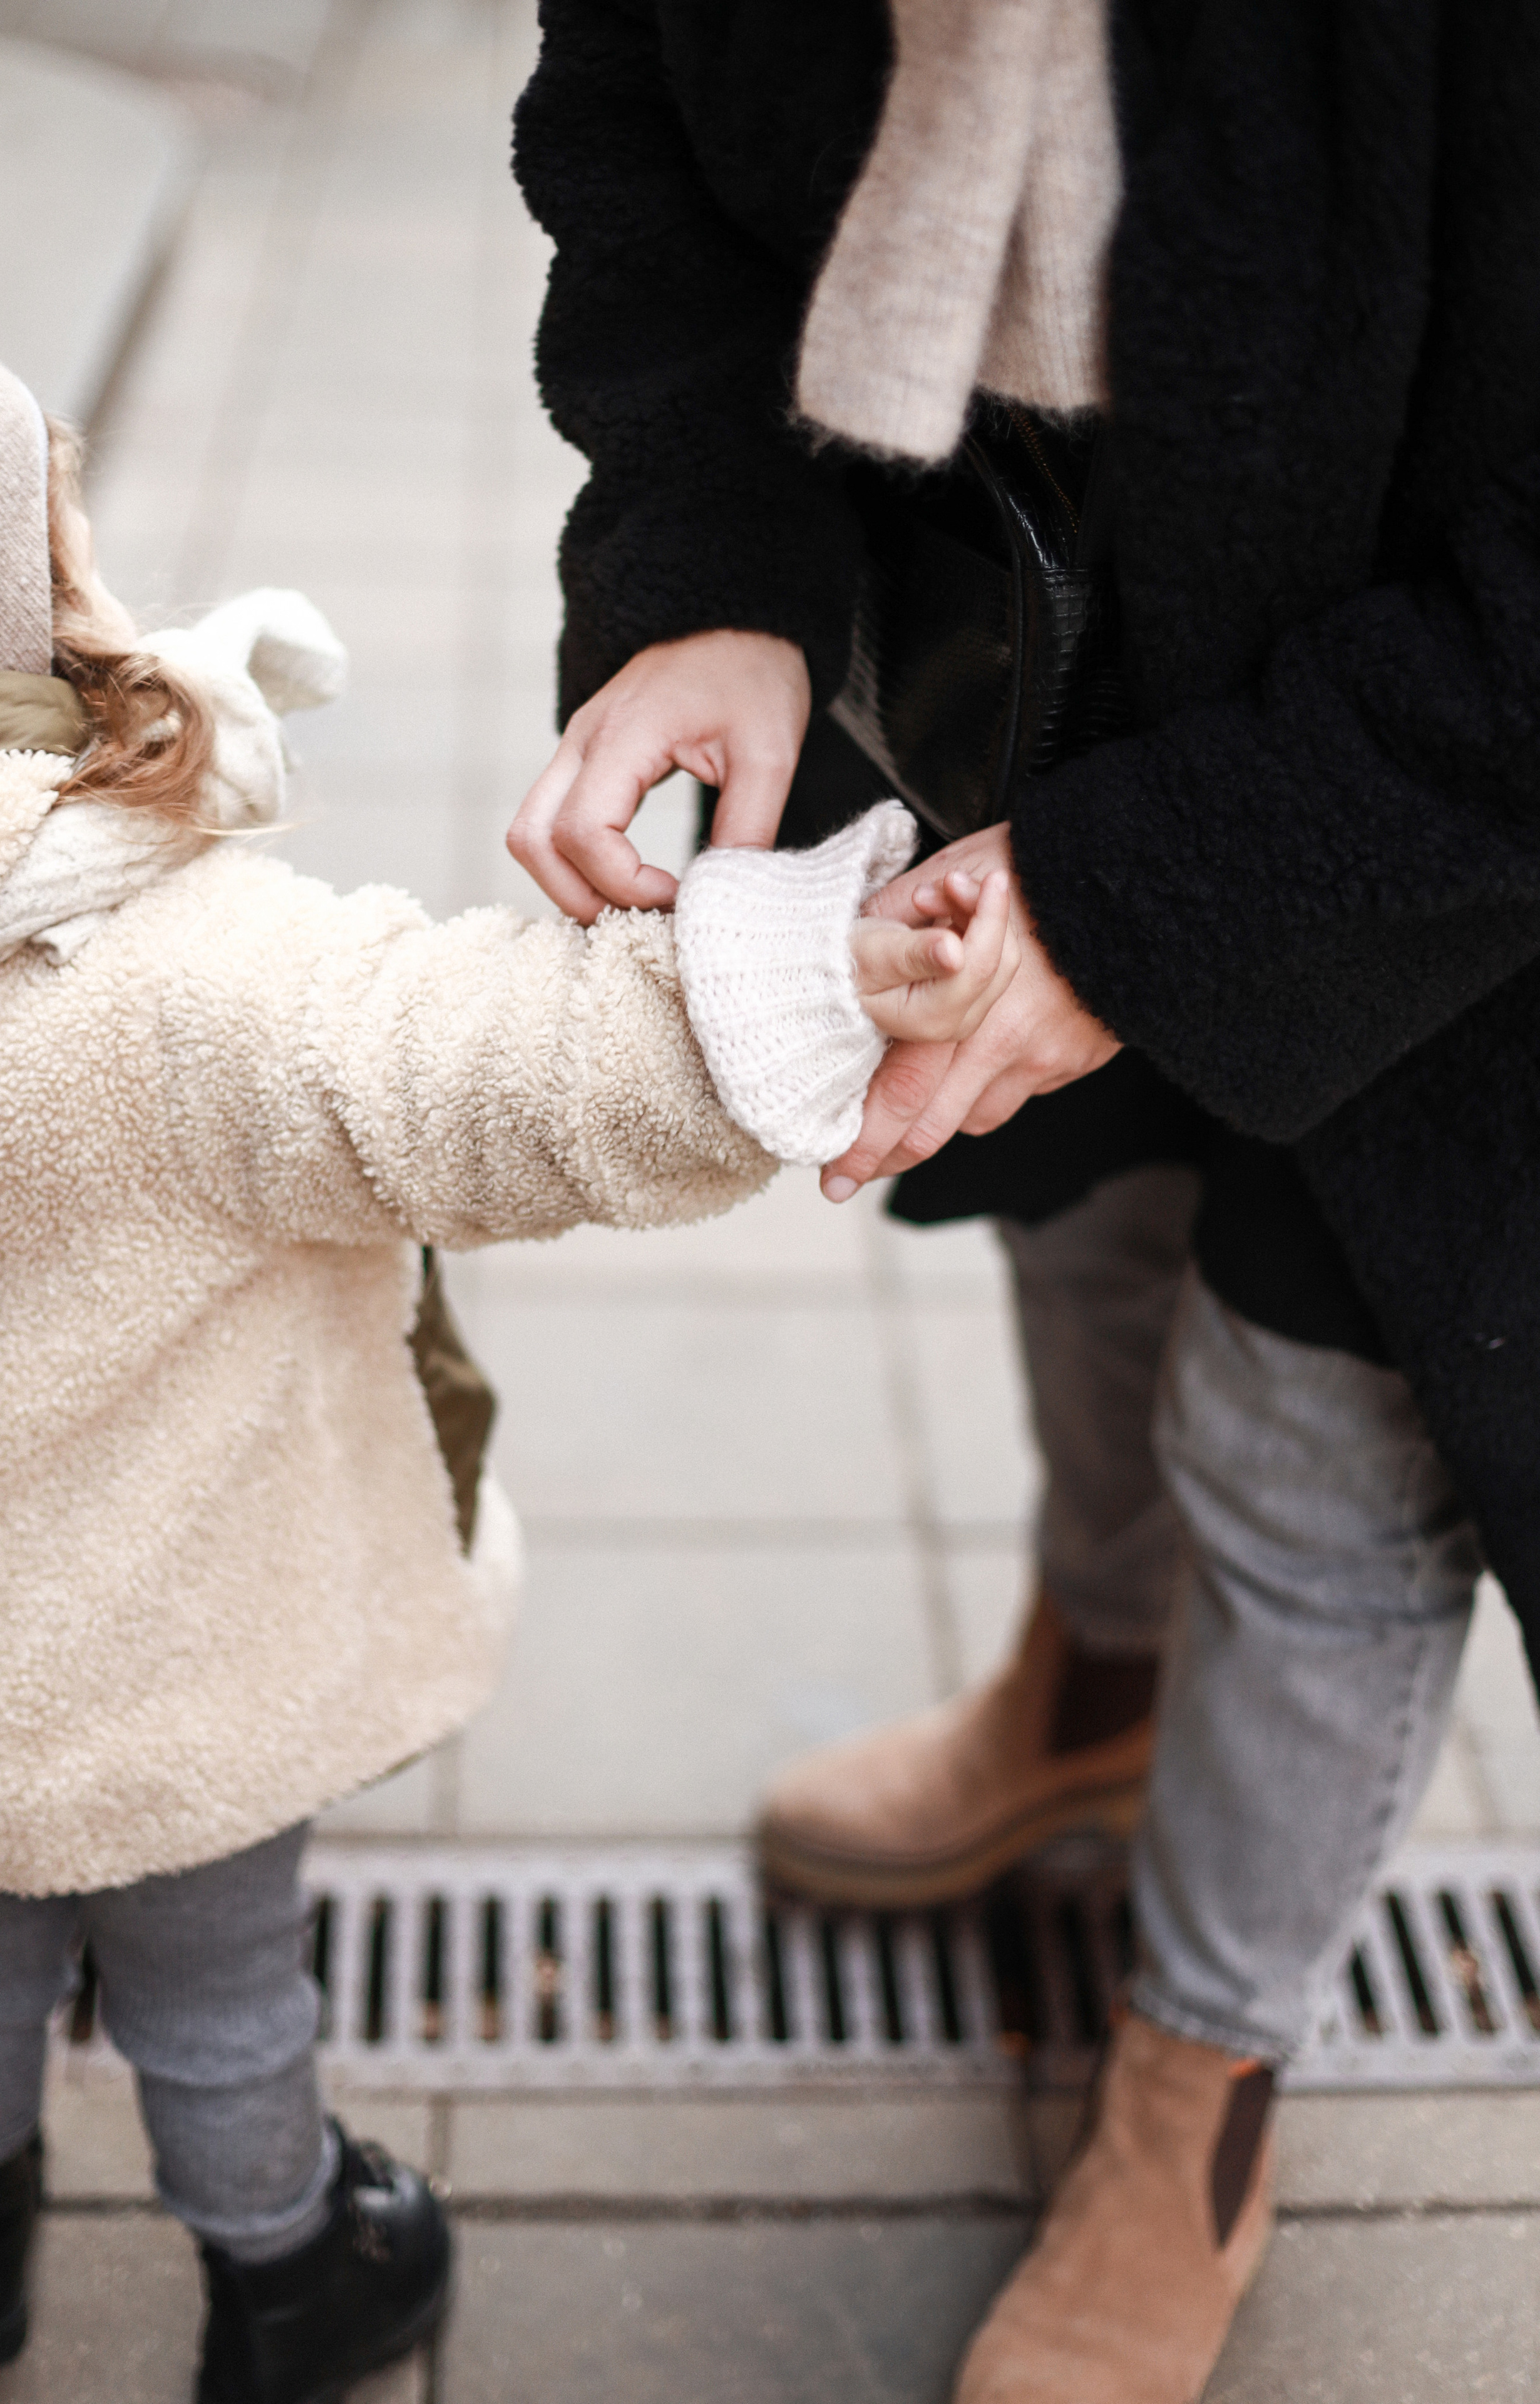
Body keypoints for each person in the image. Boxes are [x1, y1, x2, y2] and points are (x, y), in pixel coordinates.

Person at [509, 4, 1540, 2396]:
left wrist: (1154, 898)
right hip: (1078, 629)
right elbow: (637, 119)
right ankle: (1094, 1679)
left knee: (1322, 1412)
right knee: (1090, 1206)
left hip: (1476, 758)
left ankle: (1196, 2084)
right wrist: (715, 564)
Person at [0, 329, 1012, 2400]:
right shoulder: (171, 983)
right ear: (35, 587)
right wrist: (800, 970)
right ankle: (286, 2274)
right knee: (214, 1984)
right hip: (175, 1651)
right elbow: (479, 1065)